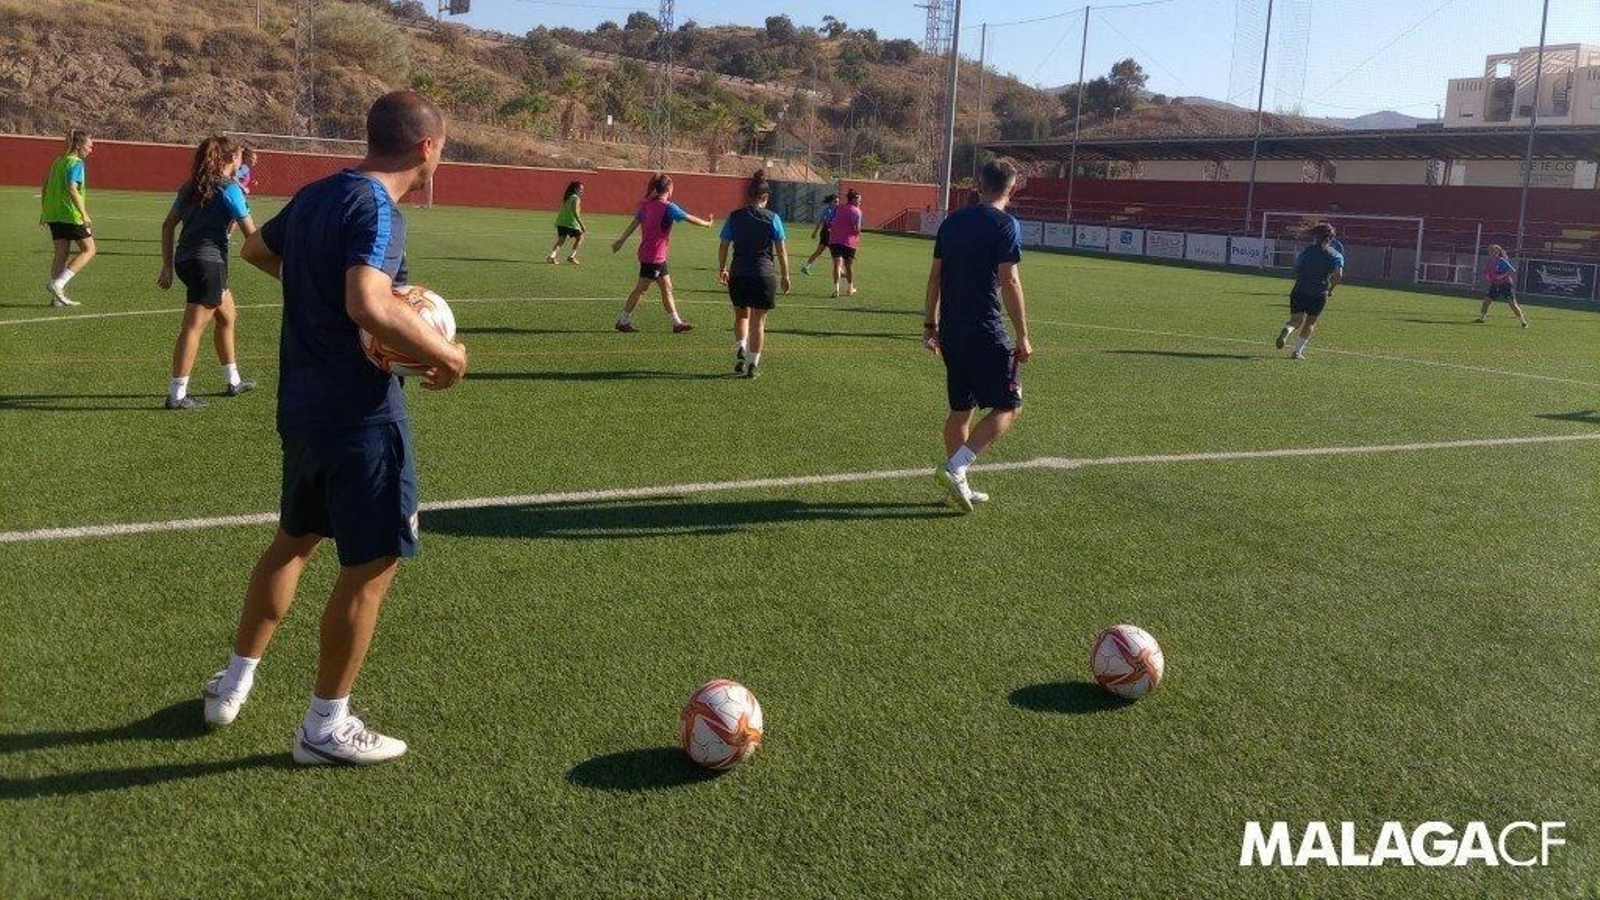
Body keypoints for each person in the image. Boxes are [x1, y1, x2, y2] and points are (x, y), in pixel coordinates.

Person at [204, 91, 468, 767]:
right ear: (427, 148)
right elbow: (367, 301)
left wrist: (315, 284)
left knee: (292, 543)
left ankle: (232, 684)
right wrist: (445, 354)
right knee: (370, 568)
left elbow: (260, 248)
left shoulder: (322, 193)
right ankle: (326, 726)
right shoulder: (378, 207)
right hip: (361, 417)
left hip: (302, 406)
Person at [924, 161, 1033, 514]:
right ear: (1012, 189)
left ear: (978, 185)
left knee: (961, 408)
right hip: (985, 328)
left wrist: (930, 326)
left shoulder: (952, 222)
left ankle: (958, 485)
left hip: (952, 330)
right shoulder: (1006, 224)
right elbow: (1010, 280)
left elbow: (934, 277)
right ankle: (956, 467)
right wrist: (1023, 335)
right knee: (1009, 406)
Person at [157, 135, 259, 410]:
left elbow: (168, 226)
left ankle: (233, 380)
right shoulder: (230, 189)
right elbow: (252, 234)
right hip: (208, 264)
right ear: (231, 159)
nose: (242, 160)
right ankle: (177, 394)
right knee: (193, 327)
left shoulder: (191, 186)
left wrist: (167, 267)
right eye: (239, 156)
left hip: (186, 260)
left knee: (227, 315)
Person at [610, 174, 713, 333]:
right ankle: (623, 320)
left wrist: (621, 240)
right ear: (669, 188)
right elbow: (688, 218)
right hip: (654, 256)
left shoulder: (647, 206)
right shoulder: (668, 207)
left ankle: (676, 323)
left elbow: (633, 224)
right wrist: (707, 224)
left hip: (651, 254)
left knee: (667, 288)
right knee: (641, 289)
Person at [718, 171, 792, 379]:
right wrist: (786, 275)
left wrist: (722, 268)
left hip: (739, 273)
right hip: (764, 274)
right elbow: (781, 250)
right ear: (766, 198)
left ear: (748, 196)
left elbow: (724, 245)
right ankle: (753, 364)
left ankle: (741, 345)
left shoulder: (734, 216)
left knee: (741, 315)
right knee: (758, 323)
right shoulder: (773, 218)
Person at [40, 129, 96, 307]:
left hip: (54, 214)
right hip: (70, 214)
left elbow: (45, 187)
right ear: (79, 145)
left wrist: (44, 212)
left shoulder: (58, 161)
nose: (91, 150)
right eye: (89, 146)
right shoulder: (76, 163)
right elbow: (72, 188)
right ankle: (59, 284)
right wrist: (84, 213)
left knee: (61, 253)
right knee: (89, 249)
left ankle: (57, 298)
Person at [1274, 223, 1344, 360]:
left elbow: (1297, 268)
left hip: (1299, 289)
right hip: (1318, 292)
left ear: (1316, 236)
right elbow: (1338, 275)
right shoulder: (1336, 255)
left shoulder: (1306, 251)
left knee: (1295, 320)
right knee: (1310, 322)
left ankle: (1287, 330)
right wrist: (1330, 289)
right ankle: (1297, 352)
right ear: (1331, 238)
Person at [1477, 244, 1528, 327]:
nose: (1491, 253)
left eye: (1493, 251)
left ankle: (1523, 322)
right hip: (1495, 284)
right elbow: (1486, 271)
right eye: (1490, 251)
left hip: (1506, 284)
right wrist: (1488, 277)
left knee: (1512, 304)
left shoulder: (1502, 260)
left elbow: (1512, 271)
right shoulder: (1490, 262)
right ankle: (1482, 318)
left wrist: (1501, 276)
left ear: (1497, 252)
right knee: (1486, 301)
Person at [829, 189, 863, 298]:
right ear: (853, 199)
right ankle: (850, 288)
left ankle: (836, 289)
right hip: (848, 242)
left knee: (836, 265)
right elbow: (856, 229)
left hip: (834, 240)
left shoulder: (838, 208)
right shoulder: (857, 211)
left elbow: (830, 222)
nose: (860, 202)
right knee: (848, 266)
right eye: (858, 200)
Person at [546, 180, 586, 265]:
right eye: (580, 189)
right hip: (570, 223)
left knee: (561, 240)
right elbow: (575, 211)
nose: (582, 191)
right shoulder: (576, 198)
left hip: (561, 222)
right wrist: (581, 224)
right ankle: (572, 257)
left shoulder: (568, 197)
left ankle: (552, 256)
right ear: (575, 189)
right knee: (580, 237)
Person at [799, 193, 837, 276]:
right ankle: (806, 267)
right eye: (835, 201)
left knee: (830, 252)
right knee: (828, 252)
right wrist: (815, 232)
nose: (837, 203)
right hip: (826, 233)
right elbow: (822, 222)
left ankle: (806, 267)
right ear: (831, 202)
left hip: (831, 234)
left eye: (838, 202)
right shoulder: (828, 210)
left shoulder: (836, 210)